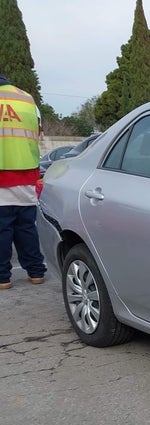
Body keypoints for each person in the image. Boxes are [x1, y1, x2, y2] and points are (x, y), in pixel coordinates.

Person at [0, 68, 47, 289]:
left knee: (2, 228)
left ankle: (3, 277)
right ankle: (36, 272)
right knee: (26, 227)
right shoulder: (27, 99)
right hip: (26, 173)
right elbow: (38, 133)